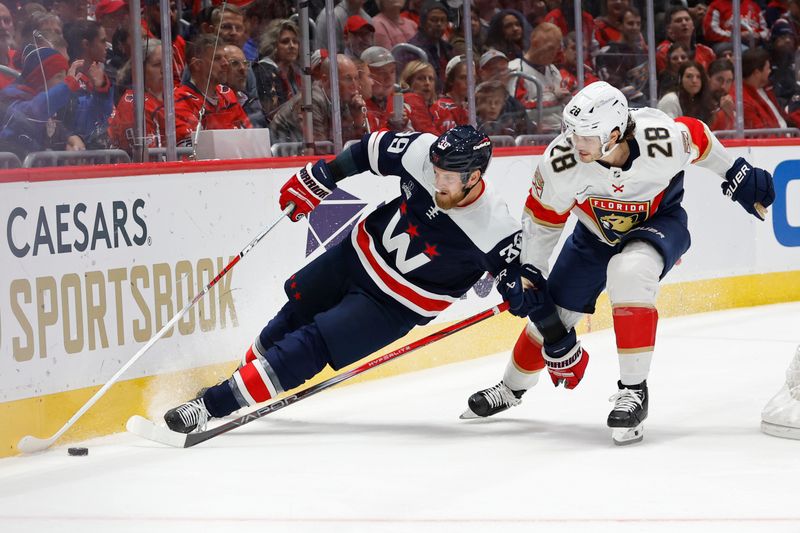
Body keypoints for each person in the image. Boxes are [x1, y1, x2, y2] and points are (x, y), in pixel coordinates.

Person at [462, 81, 775, 445]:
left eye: (585, 136)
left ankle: (633, 391)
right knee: (553, 315)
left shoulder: (661, 141)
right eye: (571, 131)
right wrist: (531, 271)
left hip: (660, 224)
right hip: (593, 238)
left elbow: (698, 136)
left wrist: (736, 171)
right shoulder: (561, 162)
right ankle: (511, 387)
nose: (574, 143)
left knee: (629, 271)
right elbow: (542, 220)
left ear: (613, 133)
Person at [162, 126, 527, 434]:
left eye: (447, 178)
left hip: (393, 305)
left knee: (311, 345)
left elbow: (525, 282)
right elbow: (370, 151)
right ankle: (232, 386)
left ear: (474, 177)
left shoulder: (496, 227)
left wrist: (527, 299)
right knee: (289, 320)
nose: (436, 182)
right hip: (354, 257)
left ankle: (211, 407)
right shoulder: (422, 152)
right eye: (435, 171)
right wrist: (325, 175)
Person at [174, 34, 251, 146]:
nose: (225, 63)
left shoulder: (227, 94)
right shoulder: (180, 100)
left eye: (225, 58)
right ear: (197, 65)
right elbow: (195, 149)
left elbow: (249, 136)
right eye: (217, 58)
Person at [108, 39, 165, 153]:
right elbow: (147, 156)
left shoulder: (175, 96)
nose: (164, 70)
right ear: (140, 68)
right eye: (157, 65)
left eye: (167, 64)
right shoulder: (133, 103)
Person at [252, 19, 301, 124]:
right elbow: (272, 114)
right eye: (285, 41)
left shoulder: (295, 73)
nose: (292, 46)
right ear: (273, 45)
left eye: (295, 41)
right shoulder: (264, 70)